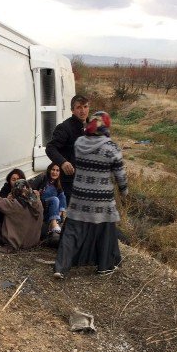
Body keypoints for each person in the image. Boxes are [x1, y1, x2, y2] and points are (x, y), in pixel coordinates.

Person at [53, 111, 128, 278]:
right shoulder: (111, 148)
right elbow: (120, 175)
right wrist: (124, 191)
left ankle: (60, 268)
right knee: (105, 233)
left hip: (79, 196)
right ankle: (105, 266)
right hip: (102, 200)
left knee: (71, 232)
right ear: (106, 127)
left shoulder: (80, 143)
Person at [0, 168, 43, 251]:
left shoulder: (15, 204)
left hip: (19, 243)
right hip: (32, 242)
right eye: (13, 179)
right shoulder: (37, 202)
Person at [45, 95, 90, 202]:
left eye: (85, 106)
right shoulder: (65, 127)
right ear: (72, 110)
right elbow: (50, 148)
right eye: (79, 107)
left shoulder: (92, 126)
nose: (83, 110)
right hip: (71, 182)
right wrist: (63, 163)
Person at [30, 162, 67, 234]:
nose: (55, 172)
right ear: (49, 170)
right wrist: (35, 192)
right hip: (41, 206)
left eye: (57, 170)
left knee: (62, 194)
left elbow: (62, 200)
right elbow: (30, 189)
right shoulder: (42, 177)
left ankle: (55, 220)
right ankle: (54, 223)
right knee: (55, 199)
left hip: (53, 210)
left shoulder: (59, 183)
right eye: (53, 169)